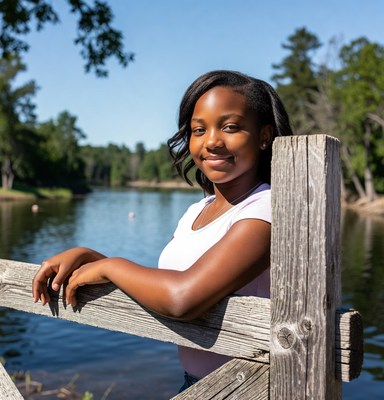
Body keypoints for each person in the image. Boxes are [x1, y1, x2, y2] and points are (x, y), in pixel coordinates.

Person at [32, 70, 293, 393]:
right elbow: (160, 284)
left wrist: (109, 266)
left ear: (264, 136)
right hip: (197, 384)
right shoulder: (197, 210)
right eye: (199, 129)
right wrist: (90, 258)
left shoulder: (266, 208)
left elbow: (182, 298)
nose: (211, 141)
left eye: (230, 127)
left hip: (249, 389)